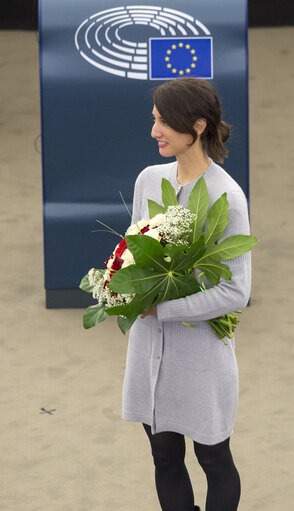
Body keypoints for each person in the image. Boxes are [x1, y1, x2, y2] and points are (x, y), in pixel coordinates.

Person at [121, 77, 252, 511]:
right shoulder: (148, 179)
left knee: (213, 457)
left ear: (197, 126)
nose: (154, 131)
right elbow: (135, 249)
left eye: (164, 123)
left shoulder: (226, 196)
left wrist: (162, 308)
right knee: (163, 455)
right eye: (154, 120)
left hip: (200, 350)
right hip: (148, 348)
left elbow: (236, 290)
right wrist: (121, 283)